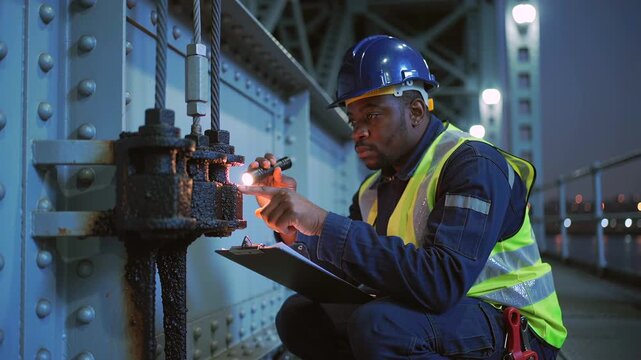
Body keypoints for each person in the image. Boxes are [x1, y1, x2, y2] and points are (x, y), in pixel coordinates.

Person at [238, 35, 566, 359]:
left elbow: (443, 283)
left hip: (513, 326)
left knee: (380, 326)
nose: (358, 131)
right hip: (452, 316)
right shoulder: (372, 190)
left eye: (372, 116)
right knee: (299, 316)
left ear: (415, 110)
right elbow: (354, 267)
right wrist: (292, 228)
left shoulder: (472, 165)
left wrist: (324, 222)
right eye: (353, 120)